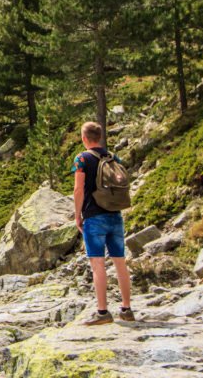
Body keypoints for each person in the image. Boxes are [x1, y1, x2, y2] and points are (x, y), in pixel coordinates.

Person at [72, 121, 134, 325]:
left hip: (93, 216)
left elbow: (78, 189)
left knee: (97, 264)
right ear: (99, 137)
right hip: (115, 215)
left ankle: (102, 312)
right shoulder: (112, 157)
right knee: (120, 262)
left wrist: (77, 214)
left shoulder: (82, 159)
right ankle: (126, 308)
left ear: (84, 138)